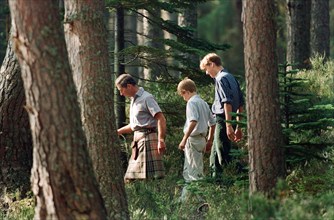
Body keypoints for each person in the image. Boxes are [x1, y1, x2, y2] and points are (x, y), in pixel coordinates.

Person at [199, 53, 244, 180]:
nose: (207, 73)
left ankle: (239, 178)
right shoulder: (231, 77)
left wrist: (228, 125)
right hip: (231, 119)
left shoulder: (221, 79)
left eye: (206, 69)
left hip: (223, 120)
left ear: (212, 64)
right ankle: (216, 183)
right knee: (214, 157)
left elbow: (227, 102)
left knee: (223, 153)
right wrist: (238, 126)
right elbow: (240, 103)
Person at [115, 73, 166, 182]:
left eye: (121, 90)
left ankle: (154, 198)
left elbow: (160, 118)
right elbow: (135, 126)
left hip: (148, 139)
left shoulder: (147, 98)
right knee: (130, 178)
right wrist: (117, 132)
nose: (121, 93)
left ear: (129, 86)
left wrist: (161, 140)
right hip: (137, 142)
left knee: (151, 179)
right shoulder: (134, 100)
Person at [177, 77, 215, 201]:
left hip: (192, 140)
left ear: (185, 91)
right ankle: (183, 201)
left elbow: (193, 121)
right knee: (192, 169)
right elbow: (212, 123)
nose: (183, 98)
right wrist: (209, 140)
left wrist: (184, 139)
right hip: (202, 140)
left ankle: (203, 201)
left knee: (193, 173)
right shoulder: (203, 103)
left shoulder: (191, 103)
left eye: (182, 95)